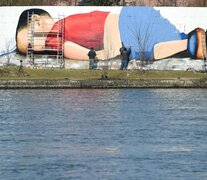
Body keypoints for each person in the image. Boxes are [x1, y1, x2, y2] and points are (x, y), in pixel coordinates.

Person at [15, 7, 207, 62]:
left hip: (124, 32)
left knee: (149, 50)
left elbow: (71, 49)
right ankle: (189, 42)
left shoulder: (55, 36)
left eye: (31, 44)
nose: (34, 51)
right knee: (172, 38)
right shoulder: (65, 24)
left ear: (37, 21)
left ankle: (191, 44)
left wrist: (100, 56)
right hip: (130, 17)